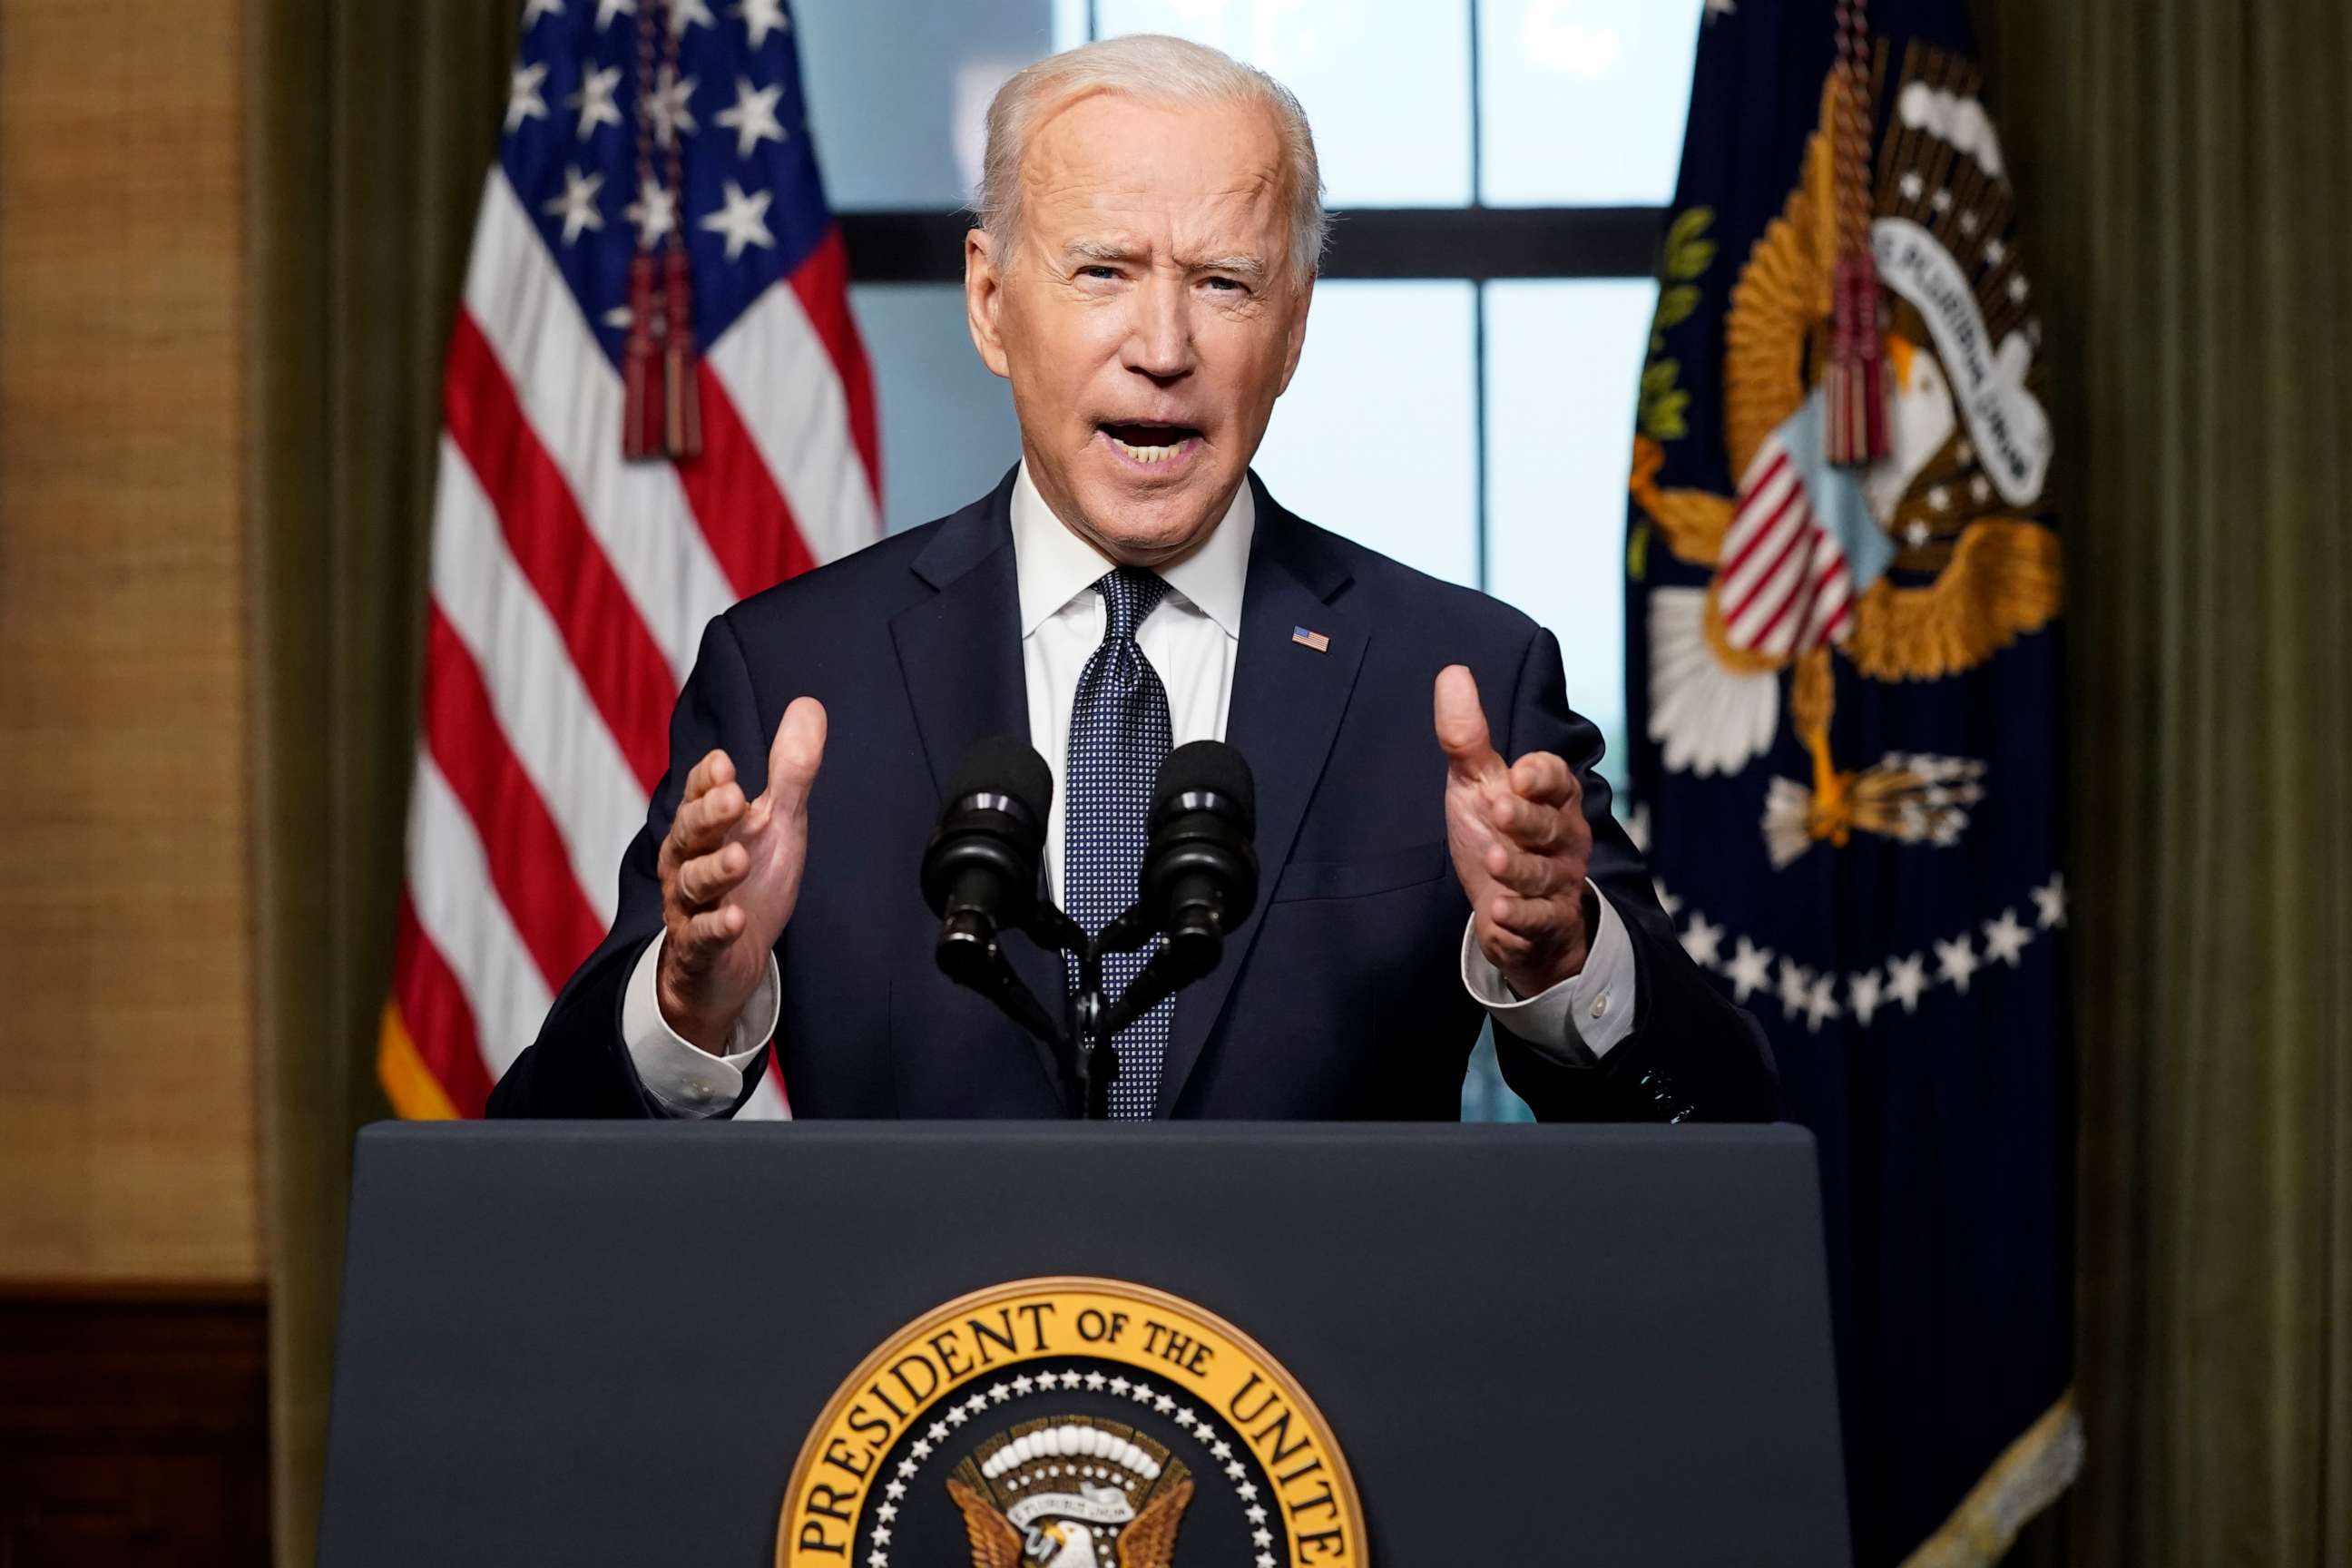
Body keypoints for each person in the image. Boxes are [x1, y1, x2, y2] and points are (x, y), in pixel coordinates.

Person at [488, 34, 1777, 1122]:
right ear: (991, 304)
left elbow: (1724, 1117)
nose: (1162, 347)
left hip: (1310, 1413)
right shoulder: (800, 677)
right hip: (926, 1404)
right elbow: (545, 1152)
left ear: (1294, 329)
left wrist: (1564, 956)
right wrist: (691, 999)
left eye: (1224, 283)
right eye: (1102, 271)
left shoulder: (1456, 683)